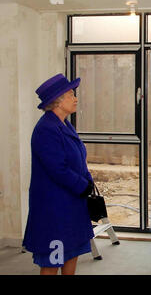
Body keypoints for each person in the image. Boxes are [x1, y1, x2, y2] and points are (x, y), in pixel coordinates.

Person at [22, 73, 95, 275]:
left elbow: (78, 158)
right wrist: (82, 185)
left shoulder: (64, 124)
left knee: (71, 251)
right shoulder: (46, 129)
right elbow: (57, 168)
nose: (75, 98)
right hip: (54, 207)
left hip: (70, 203)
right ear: (57, 101)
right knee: (53, 259)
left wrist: (87, 180)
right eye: (71, 95)